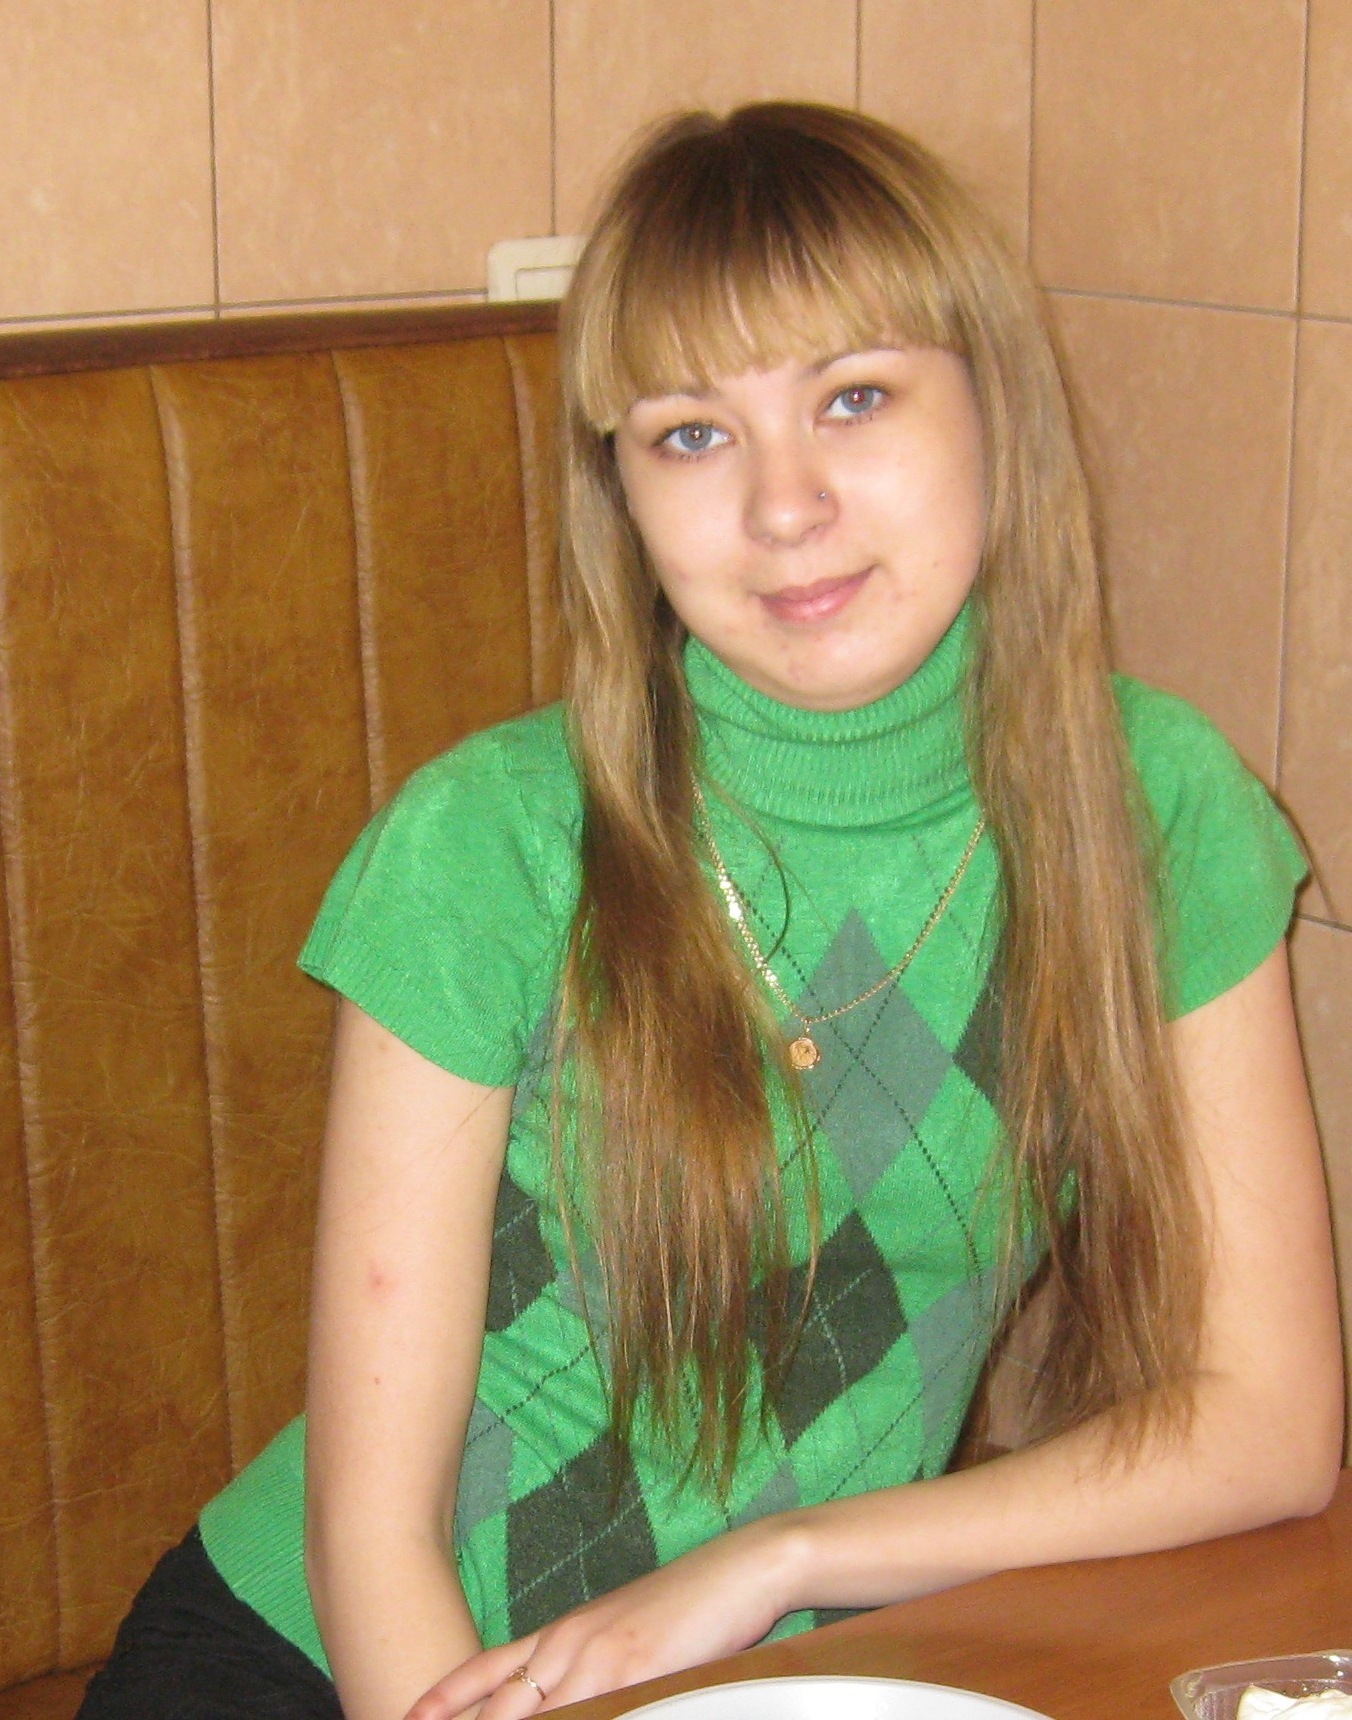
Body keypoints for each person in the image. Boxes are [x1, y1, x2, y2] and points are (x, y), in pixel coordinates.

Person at [80, 103, 1343, 1720]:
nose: (783, 504)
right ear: (619, 491)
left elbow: (1271, 1425)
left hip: (783, 1657)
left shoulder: (1158, 808)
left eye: (854, 398)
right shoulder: (489, 843)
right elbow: (369, 1533)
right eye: (691, 434)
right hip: (344, 1664)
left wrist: (781, 1559)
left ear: (997, 409)